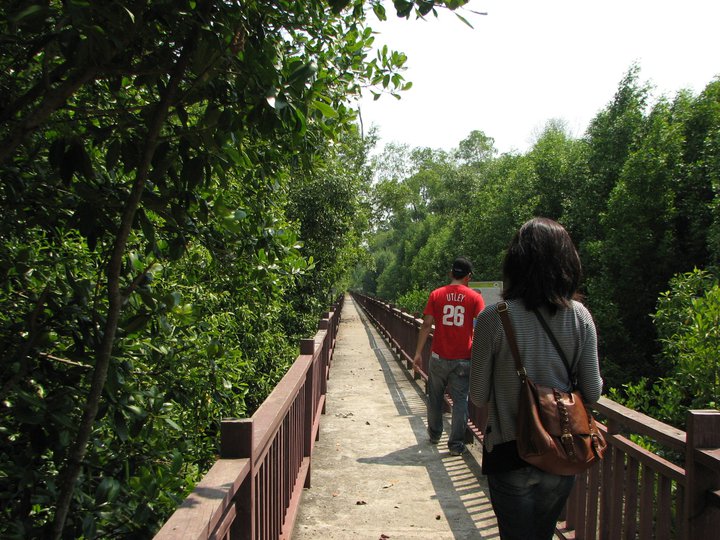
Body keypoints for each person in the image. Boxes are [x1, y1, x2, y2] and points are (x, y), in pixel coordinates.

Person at [469, 217, 603, 540]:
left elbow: (477, 396)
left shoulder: (493, 318)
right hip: (561, 453)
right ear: (567, 264)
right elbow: (593, 392)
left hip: (509, 453)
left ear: (515, 263)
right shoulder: (580, 316)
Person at [413, 257, 485, 456]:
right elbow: (482, 327)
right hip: (464, 358)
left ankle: (435, 434)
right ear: (468, 277)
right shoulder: (475, 298)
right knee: (461, 401)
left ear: (451, 273)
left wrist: (418, 353)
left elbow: (426, 324)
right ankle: (455, 445)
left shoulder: (437, 294)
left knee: (435, 397)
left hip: (438, 357)